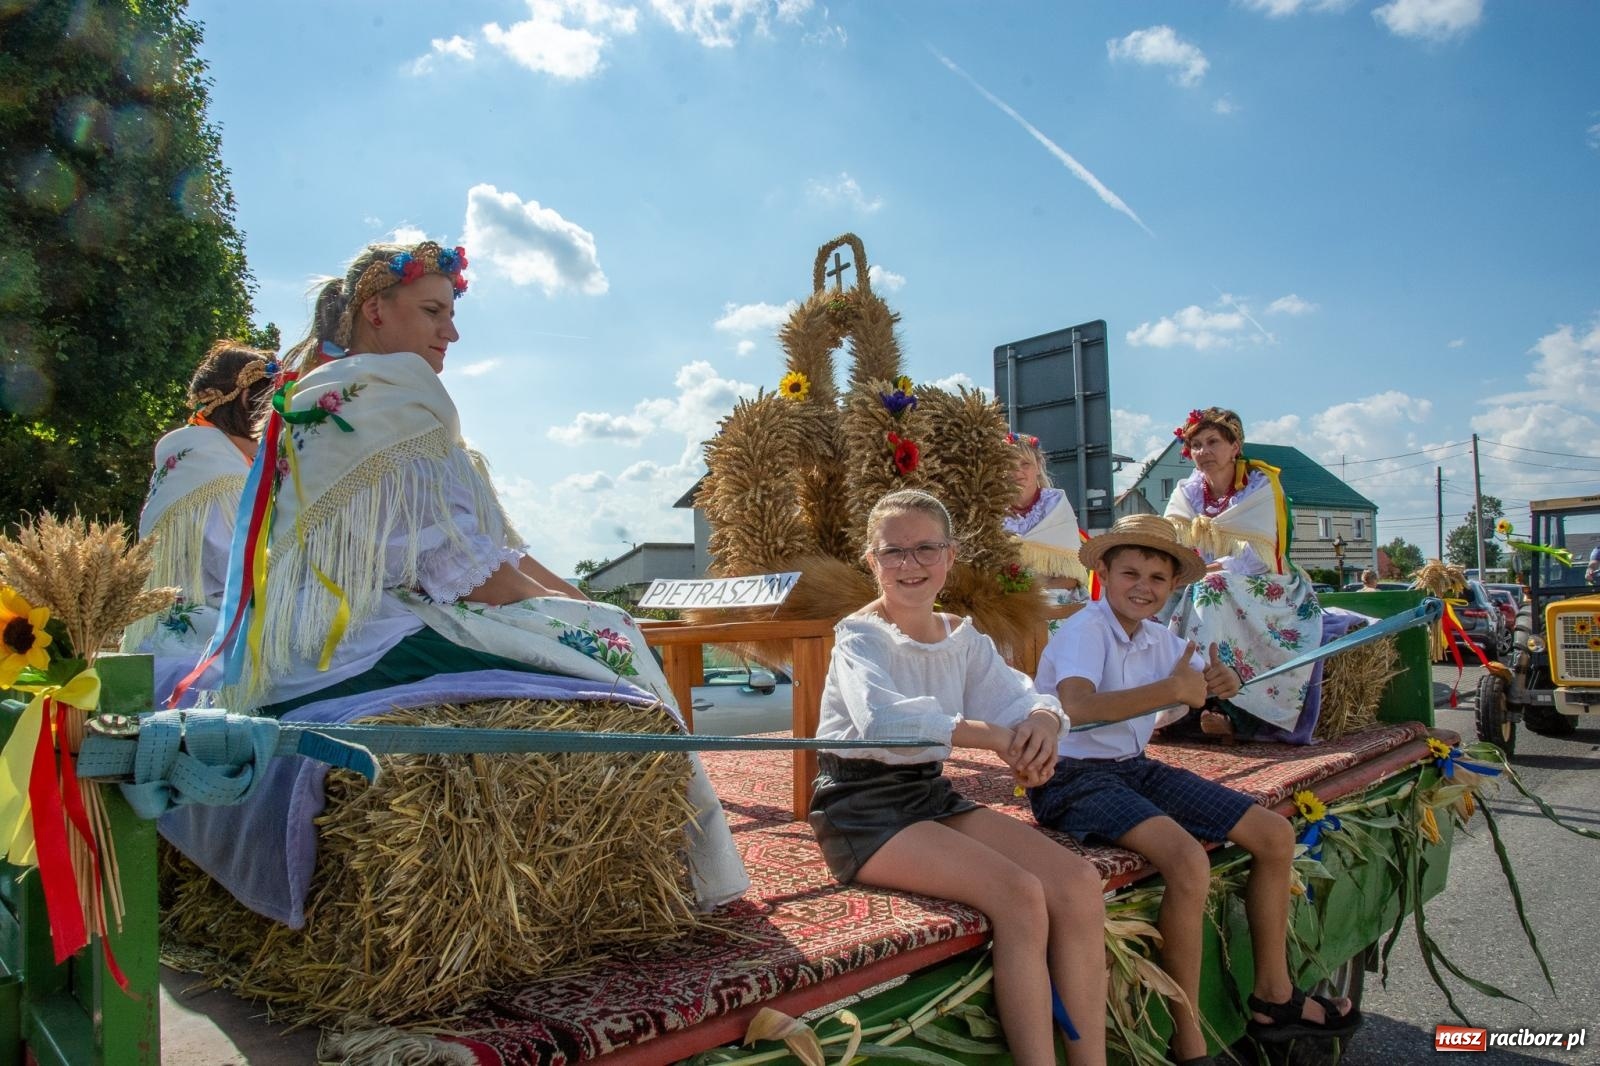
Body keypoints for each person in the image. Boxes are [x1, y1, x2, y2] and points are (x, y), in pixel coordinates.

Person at [164, 238, 746, 923]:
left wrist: (572, 598)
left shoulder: (322, 399)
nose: (452, 330)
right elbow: (463, 572)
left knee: (591, 618)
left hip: (298, 649)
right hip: (360, 649)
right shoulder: (395, 396)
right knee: (613, 641)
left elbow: (485, 546)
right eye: (433, 310)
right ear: (376, 310)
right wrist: (582, 616)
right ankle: (695, 874)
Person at [1028, 514, 1361, 1065]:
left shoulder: (1162, 638)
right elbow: (1077, 708)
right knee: (1186, 860)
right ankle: (1189, 1041)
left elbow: (1206, 678)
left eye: (1157, 579)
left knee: (1274, 835)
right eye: (1130, 572)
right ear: (1104, 574)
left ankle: (1273, 997)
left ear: (1173, 587)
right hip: (1072, 778)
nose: (1143, 587)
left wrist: (1222, 682)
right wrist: (1173, 689)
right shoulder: (1085, 631)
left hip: (1133, 767)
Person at [810, 489, 1108, 1066]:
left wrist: (1042, 720)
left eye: (925, 549)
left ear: (949, 556)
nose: (909, 565)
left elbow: (1015, 693)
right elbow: (883, 720)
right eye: (892, 552)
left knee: (1076, 881)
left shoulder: (962, 636)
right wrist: (994, 737)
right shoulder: (860, 635)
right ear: (871, 561)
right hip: (861, 807)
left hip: (926, 792)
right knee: (1019, 895)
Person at [1163, 407, 1367, 743]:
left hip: (1266, 580)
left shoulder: (1260, 486)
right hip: (1201, 581)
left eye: (1213, 441)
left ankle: (1232, 714)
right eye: (1196, 445)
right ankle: (1168, 703)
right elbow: (1171, 544)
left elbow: (1258, 556)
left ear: (1235, 446)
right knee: (1157, 598)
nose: (1204, 452)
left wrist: (1208, 570)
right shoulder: (1187, 492)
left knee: (1210, 590)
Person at [122, 341, 277, 703]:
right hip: (196, 657)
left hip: (156, 637)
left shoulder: (190, 455)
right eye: (271, 410)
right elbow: (235, 564)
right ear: (244, 402)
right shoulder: (217, 468)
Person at [1002, 432, 1090, 603]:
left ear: (1038, 466)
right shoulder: (993, 511)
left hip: (1056, 593)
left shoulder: (1056, 505)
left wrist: (1033, 591)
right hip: (1007, 600)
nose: (1017, 471)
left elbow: (1071, 577)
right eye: (1009, 465)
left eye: (1025, 464)